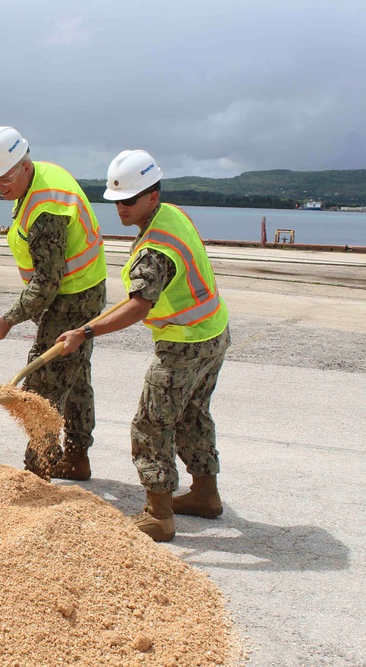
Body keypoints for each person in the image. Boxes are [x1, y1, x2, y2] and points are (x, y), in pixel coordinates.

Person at [55, 150, 230, 542]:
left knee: (151, 423)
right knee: (193, 414)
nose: (121, 208)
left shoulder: (154, 248)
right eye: (116, 201)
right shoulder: (173, 215)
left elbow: (138, 306)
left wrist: (85, 332)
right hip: (213, 332)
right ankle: (205, 494)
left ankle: (159, 515)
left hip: (184, 344)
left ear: (153, 195)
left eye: (129, 200)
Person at [0, 126, 107, 480]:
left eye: (5, 178)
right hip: (80, 289)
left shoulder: (47, 208)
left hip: (72, 297)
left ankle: (38, 471)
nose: (0, 187)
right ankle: (77, 459)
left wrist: (8, 318)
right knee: (75, 375)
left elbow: (47, 284)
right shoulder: (40, 178)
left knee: (42, 386)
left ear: (24, 164)